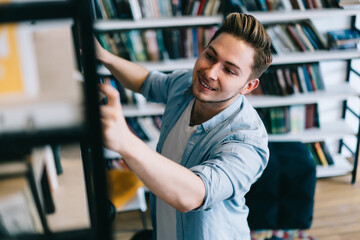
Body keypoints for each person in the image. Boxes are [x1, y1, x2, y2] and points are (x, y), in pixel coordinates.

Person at [96, 12, 272, 240]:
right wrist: (102, 56)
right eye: (210, 56)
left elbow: (194, 194)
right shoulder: (184, 85)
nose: (210, 73)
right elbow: (146, 81)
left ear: (248, 86)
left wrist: (126, 142)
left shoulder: (248, 142)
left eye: (229, 70)